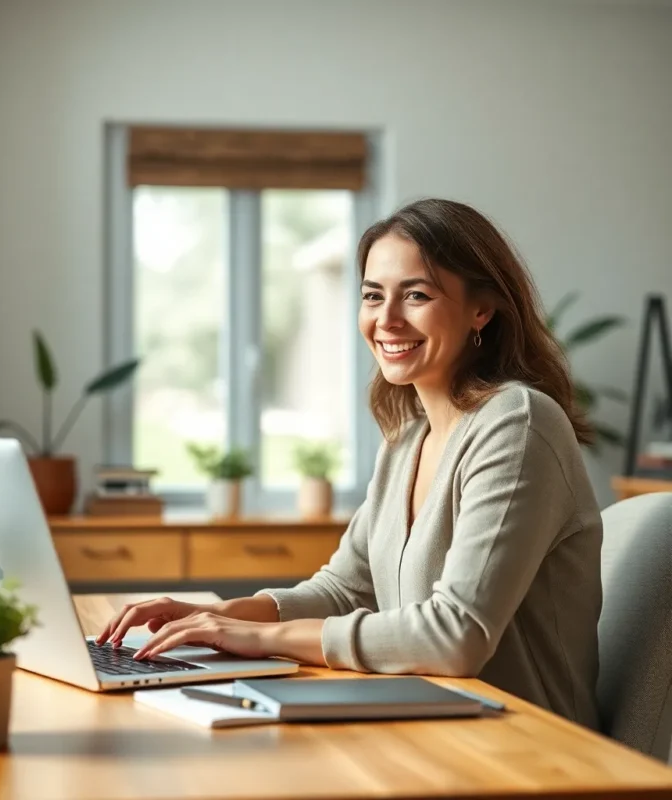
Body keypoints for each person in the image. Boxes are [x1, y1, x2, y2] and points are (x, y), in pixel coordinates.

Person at [96, 198, 603, 729]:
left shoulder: (517, 423)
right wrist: (219, 615)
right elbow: (344, 590)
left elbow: (456, 637)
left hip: (532, 748)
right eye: (372, 296)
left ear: (481, 309)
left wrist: (263, 639)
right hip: (431, 725)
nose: (386, 319)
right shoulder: (406, 442)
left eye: (416, 295)